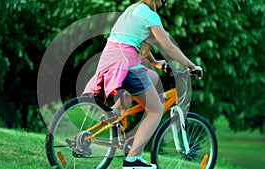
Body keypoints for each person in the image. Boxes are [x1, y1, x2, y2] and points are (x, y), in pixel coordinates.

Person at [83, 0, 203, 168]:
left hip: (109, 60)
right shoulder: (150, 15)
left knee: (152, 77)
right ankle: (132, 161)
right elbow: (168, 46)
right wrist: (191, 66)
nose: (163, 4)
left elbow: (131, 40)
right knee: (156, 110)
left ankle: (116, 111)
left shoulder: (132, 9)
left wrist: (154, 62)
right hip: (126, 63)